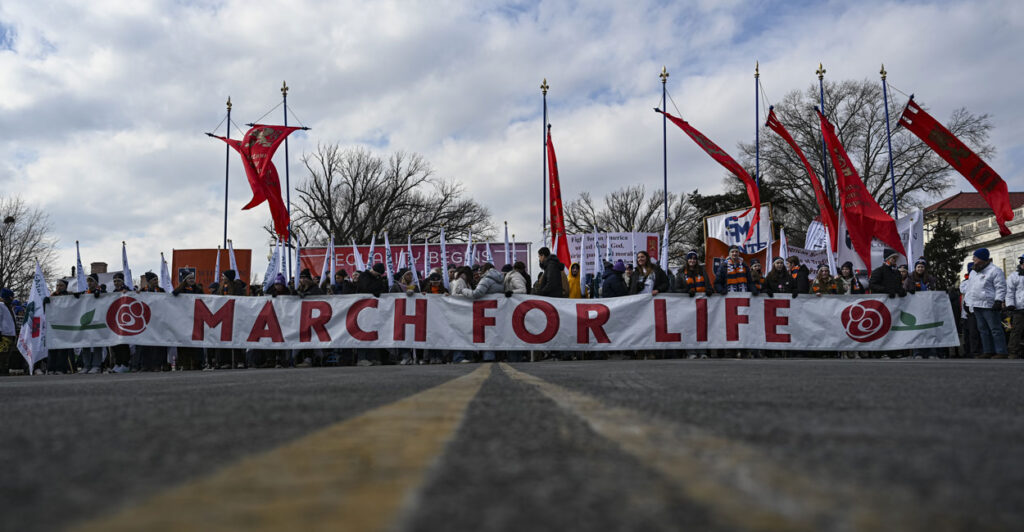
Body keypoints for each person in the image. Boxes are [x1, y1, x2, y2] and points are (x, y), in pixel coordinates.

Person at [962, 248, 1007, 359]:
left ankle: (1001, 351)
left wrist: (998, 300)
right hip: (976, 305)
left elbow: (1001, 287)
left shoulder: (995, 270)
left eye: (975, 257)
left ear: (982, 258)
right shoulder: (973, 271)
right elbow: (970, 289)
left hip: (989, 305)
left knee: (995, 329)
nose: (973, 259)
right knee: (982, 330)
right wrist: (967, 303)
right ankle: (988, 351)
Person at [461, 263, 504, 362]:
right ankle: (497, 356)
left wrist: (463, 290)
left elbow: (476, 293)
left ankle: (488, 357)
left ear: (485, 270)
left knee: (487, 334)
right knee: (495, 334)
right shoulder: (501, 280)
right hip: (497, 310)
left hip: (486, 311)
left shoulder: (486, 279)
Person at [172, 271, 205, 370]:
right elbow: (174, 294)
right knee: (184, 343)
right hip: (184, 320)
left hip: (195, 319)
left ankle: (197, 363)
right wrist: (182, 287)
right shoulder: (181, 290)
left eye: (193, 278)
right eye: (189, 278)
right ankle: (184, 363)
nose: (192, 280)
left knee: (196, 342)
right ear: (185, 280)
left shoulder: (198, 290)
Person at [107, 272, 133, 373]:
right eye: (115, 281)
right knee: (115, 344)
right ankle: (118, 363)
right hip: (115, 321)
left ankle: (125, 364)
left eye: (118, 281)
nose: (116, 283)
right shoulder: (113, 292)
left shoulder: (127, 290)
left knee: (123, 344)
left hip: (125, 321)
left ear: (122, 281)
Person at [448, 266, 474, 364]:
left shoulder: (464, 282)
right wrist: (466, 295)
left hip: (464, 312)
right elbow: (454, 295)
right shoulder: (460, 281)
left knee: (465, 335)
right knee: (460, 335)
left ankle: (465, 356)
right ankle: (458, 357)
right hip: (459, 312)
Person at [0, 288, 15, 376]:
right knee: (2, 353)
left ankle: (5, 368)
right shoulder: (1, 305)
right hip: (4, 334)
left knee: (8, 353)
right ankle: (2, 369)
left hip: (10, 334)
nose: (12, 298)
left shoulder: (9, 306)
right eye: (11, 297)